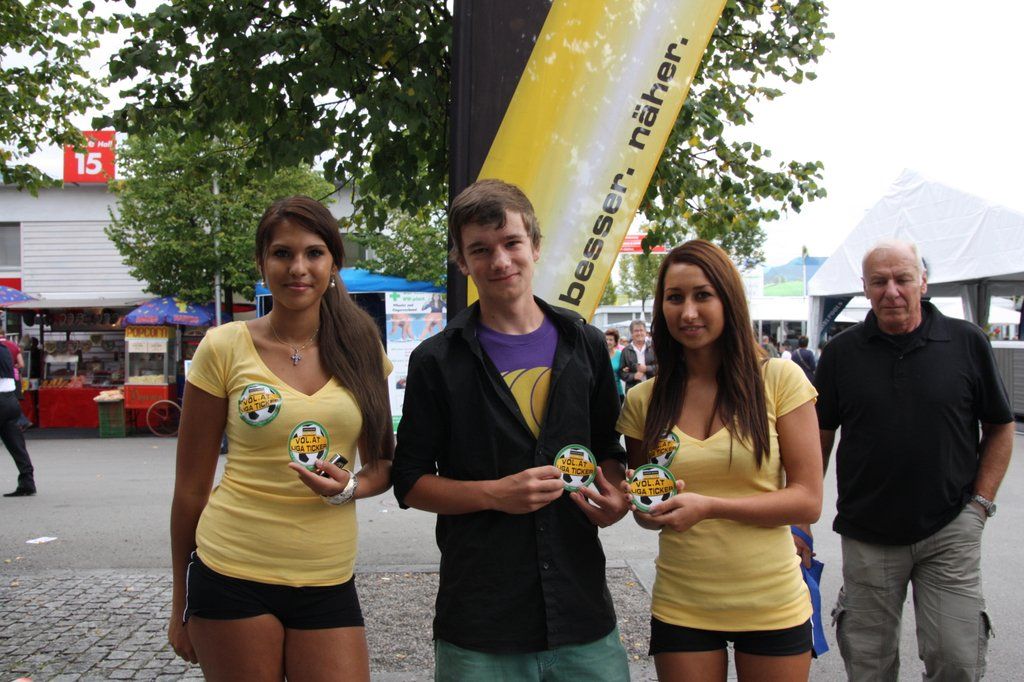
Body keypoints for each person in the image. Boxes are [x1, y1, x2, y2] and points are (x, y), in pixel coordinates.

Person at [392, 179, 630, 680]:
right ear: (462, 261)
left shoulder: (584, 343)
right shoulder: (436, 360)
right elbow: (410, 482)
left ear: (535, 245)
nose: (499, 260)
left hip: (581, 609)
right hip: (482, 619)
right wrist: (493, 494)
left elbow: (607, 447)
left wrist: (612, 496)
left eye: (511, 243)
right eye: (480, 249)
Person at [167, 196, 394, 681]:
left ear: (334, 263)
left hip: (328, 576)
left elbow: (382, 465)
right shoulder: (223, 347)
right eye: (282, 253)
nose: (298, 268)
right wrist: (180, 601)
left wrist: (349, 487)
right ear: (262, 263)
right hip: (231, 571)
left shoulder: (362, 347)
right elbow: (189, 489)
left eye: (314, 253)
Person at [616, 239, 823, 681]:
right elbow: (649, 512)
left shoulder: (780, 380)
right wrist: (645, 509)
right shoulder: (643, 401)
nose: (688, 312)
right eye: (675, 298)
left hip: (772, 600)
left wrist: (710, 506)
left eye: (703, 295)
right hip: (682, 603)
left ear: (729, 299)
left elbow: (808, 500)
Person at [811, 239, 1014, 681]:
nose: (891, 291)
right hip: (867, 533)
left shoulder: (967, 342)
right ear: (864, 287)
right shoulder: (842, 353)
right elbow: (818, 438)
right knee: (869, 665)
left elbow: (1000, 427)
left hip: (951, 529)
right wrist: (800, 516)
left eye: (902, 279)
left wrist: (980, 505)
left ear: (923, 282)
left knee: (957, 661)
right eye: (879, 281)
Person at [0, 344, 35, 497]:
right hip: (10, 399)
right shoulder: (4, 349)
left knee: (15, 443)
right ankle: (27, 482)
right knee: (16, 444)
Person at [0, 331, 32, 430]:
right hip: (14, 376)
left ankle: (21, 421)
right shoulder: (13, 345)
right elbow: (21, 364)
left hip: (2, 378)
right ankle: (20, 421)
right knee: (13, 400)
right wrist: (13, 367)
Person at [620, 318, 657, 392]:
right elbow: (622, 372)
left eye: (641, 330)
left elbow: (661, 367)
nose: (639, 333)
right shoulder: (626, 351)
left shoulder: (654, 348)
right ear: (631, 333)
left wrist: (647, 368)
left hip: (652, 387)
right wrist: (633, 376)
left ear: (645, 332)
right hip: (633, 389)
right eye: (636, 331)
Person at [606, 328, 625, 402]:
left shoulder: (620, 354)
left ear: (615, 342)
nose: (608, 342)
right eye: (606, 339)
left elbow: (624, 369)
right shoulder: (600, 354)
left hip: (617, 392)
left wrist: (625, 369)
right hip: (603, 391)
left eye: (611, 340)